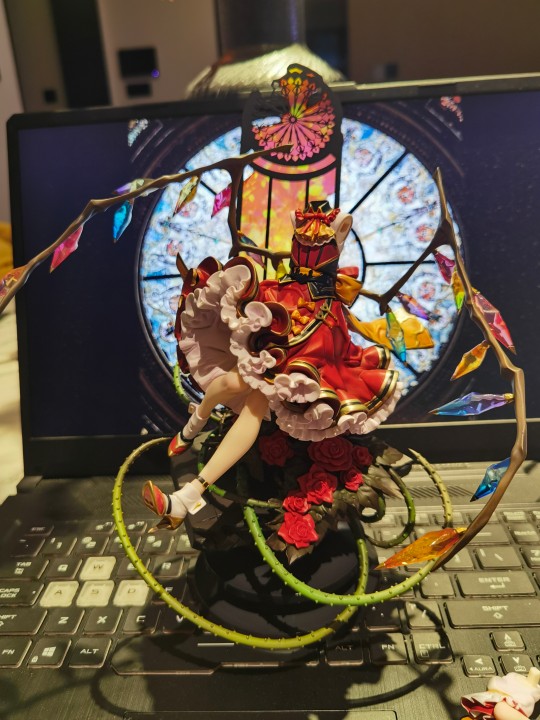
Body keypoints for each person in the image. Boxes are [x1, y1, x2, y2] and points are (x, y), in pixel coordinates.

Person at [142, 202, 401, 529]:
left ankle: (186, 496)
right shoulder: (299, 225)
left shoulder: (337, 227)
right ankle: (193, 425)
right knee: (231, 383)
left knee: (253, 405)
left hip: (315, 330)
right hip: (284, 308)